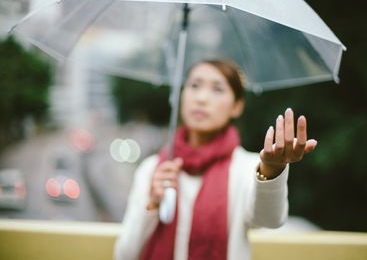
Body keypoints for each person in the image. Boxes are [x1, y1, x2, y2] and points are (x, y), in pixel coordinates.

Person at [114, 59, 317, 260]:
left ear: (236, 106)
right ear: (181, 96)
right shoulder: (153, 169)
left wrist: (272, 170)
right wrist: (152, 205)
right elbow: (124, 255)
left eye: (217, 89)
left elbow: (270, 220)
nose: (201, 98)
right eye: (194, 85)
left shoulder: (248, 168)